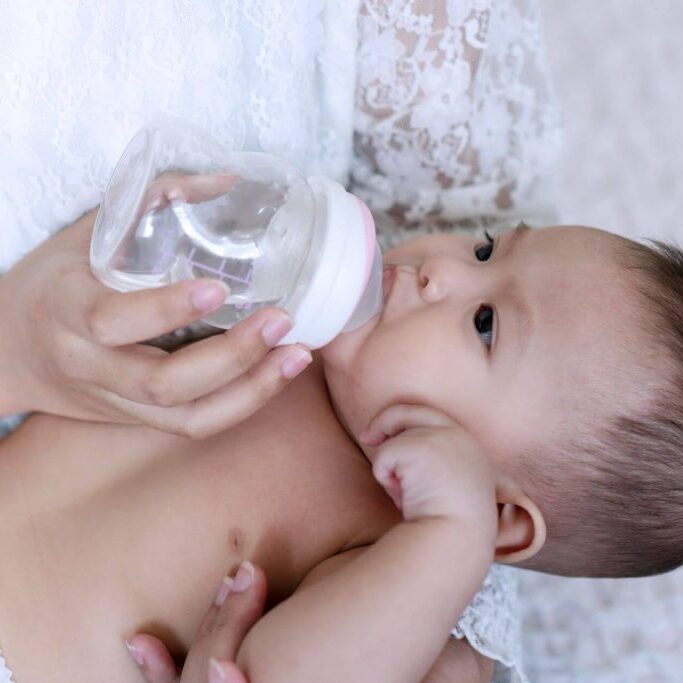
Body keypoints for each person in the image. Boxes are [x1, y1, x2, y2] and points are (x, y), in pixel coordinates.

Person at [0, 1, 561, 681]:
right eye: (483, 248)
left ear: (501, 515)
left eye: (484, 323)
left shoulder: (391, 557)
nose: (438, 268)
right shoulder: (307, 337)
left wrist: (447, 542)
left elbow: (279, 669)